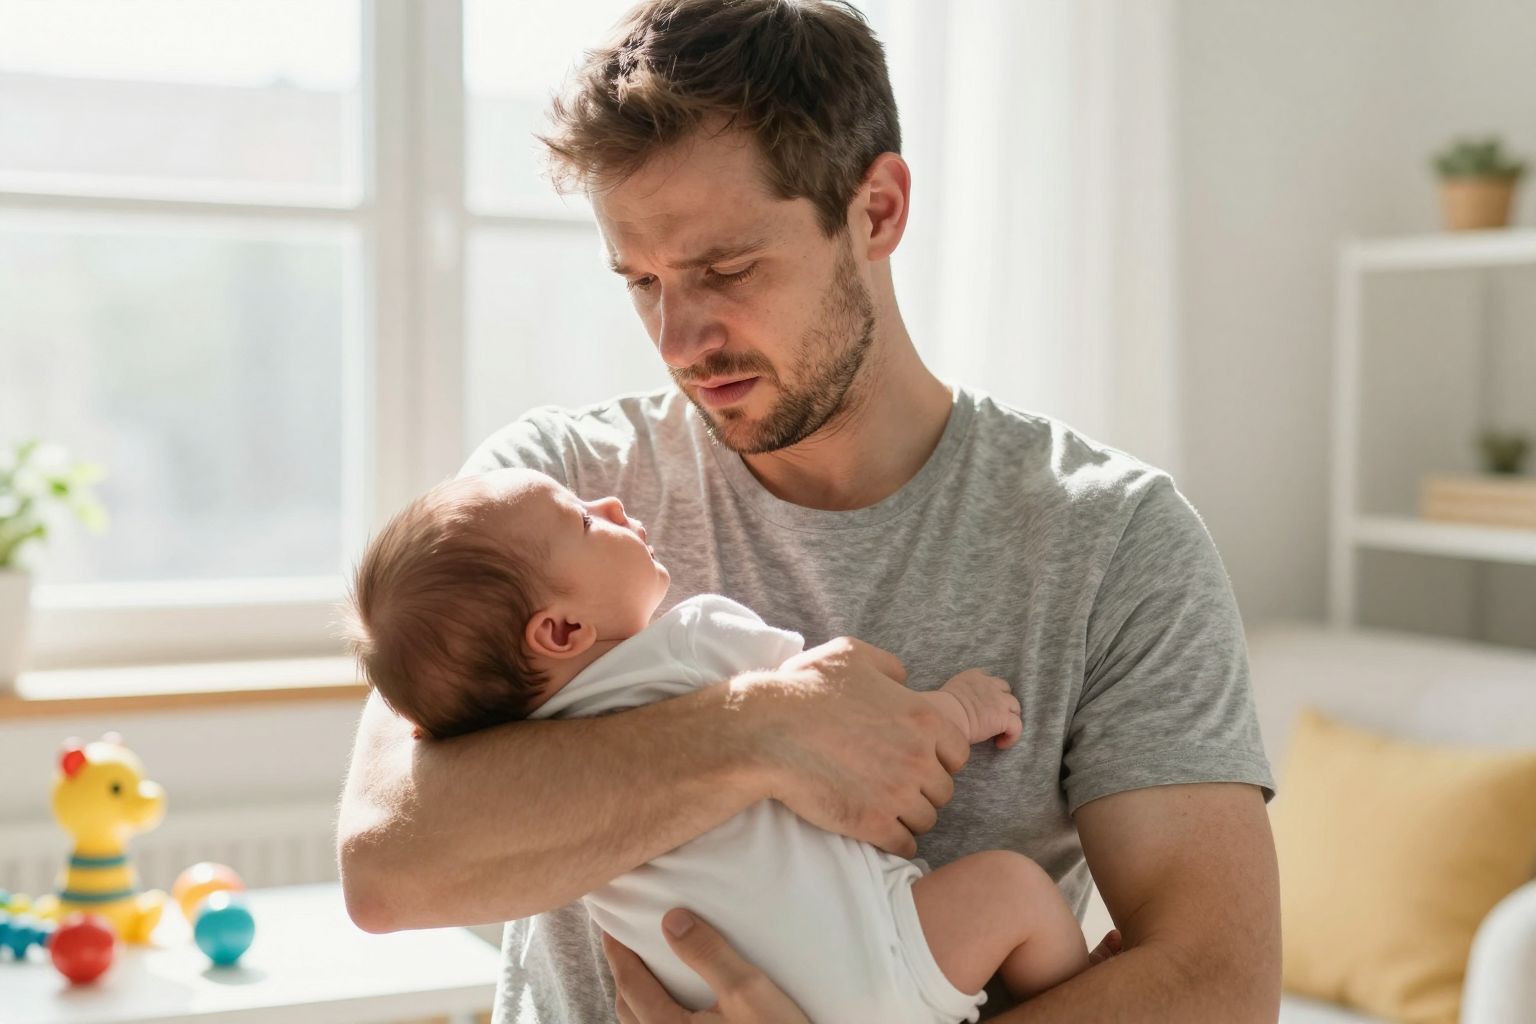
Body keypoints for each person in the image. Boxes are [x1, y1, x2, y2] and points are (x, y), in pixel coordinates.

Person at [336, 1, 1283, 1021]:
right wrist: (767, 729)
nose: (681, 335)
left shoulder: (1113, 542)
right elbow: (390, 867)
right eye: (641, 280)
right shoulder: (549, 495)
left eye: (726, 269)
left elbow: (1217, 984)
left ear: (875, 211)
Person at [340, 466, 1090, 1021]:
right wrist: (956, 704)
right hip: (882, 952)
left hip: (731, 1003)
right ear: (561, 630)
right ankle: (1076, 978)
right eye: (585, 522)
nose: (606, 502)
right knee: (1016, 891)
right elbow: (857, 705)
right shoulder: (693, 642)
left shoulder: (510, 761)